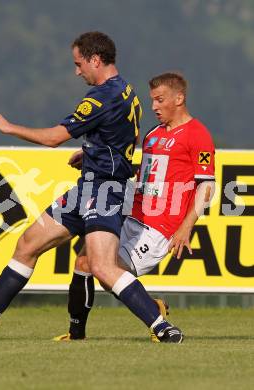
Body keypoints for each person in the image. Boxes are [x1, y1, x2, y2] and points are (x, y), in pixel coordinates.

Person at [0, 32, 183, 343]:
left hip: (104, 192)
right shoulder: (126, 90)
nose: (77, 71)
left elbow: (53, 139)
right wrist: (91, 153)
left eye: (79, 64)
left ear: (95, 60)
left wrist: (9, 126)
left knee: (101, 266)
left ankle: (161, 327)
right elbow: (122, 138)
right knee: (28, 243)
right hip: (87, 187)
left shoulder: (99, 98)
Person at [54, 72, 215, 342]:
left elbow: (206, 186)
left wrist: (186, 227)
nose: (153, 107)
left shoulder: (198, 135)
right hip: (134, 212)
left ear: (179, 98)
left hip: (159, 226)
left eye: (159, 100)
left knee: (105, 269)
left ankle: (157, 321)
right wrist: (93, 156)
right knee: (85, 260)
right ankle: (76, 335)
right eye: (152, 100)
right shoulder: (153, 134)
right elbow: (140, 166)